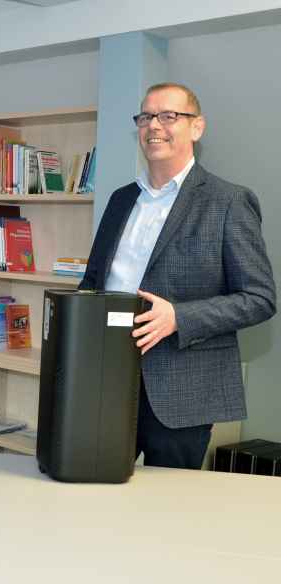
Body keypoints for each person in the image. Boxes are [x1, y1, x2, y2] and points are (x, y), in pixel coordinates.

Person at [79, 82, 275, 470]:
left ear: (196, 128)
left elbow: (260, 298)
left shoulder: (228, 201)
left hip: (183, 390)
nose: (155, 126)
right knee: (93, 489)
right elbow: (93, 282)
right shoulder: (121, 199)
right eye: (146, 116)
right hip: (109, 378)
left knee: (166, 514)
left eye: (169, 116)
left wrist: (179, 318)